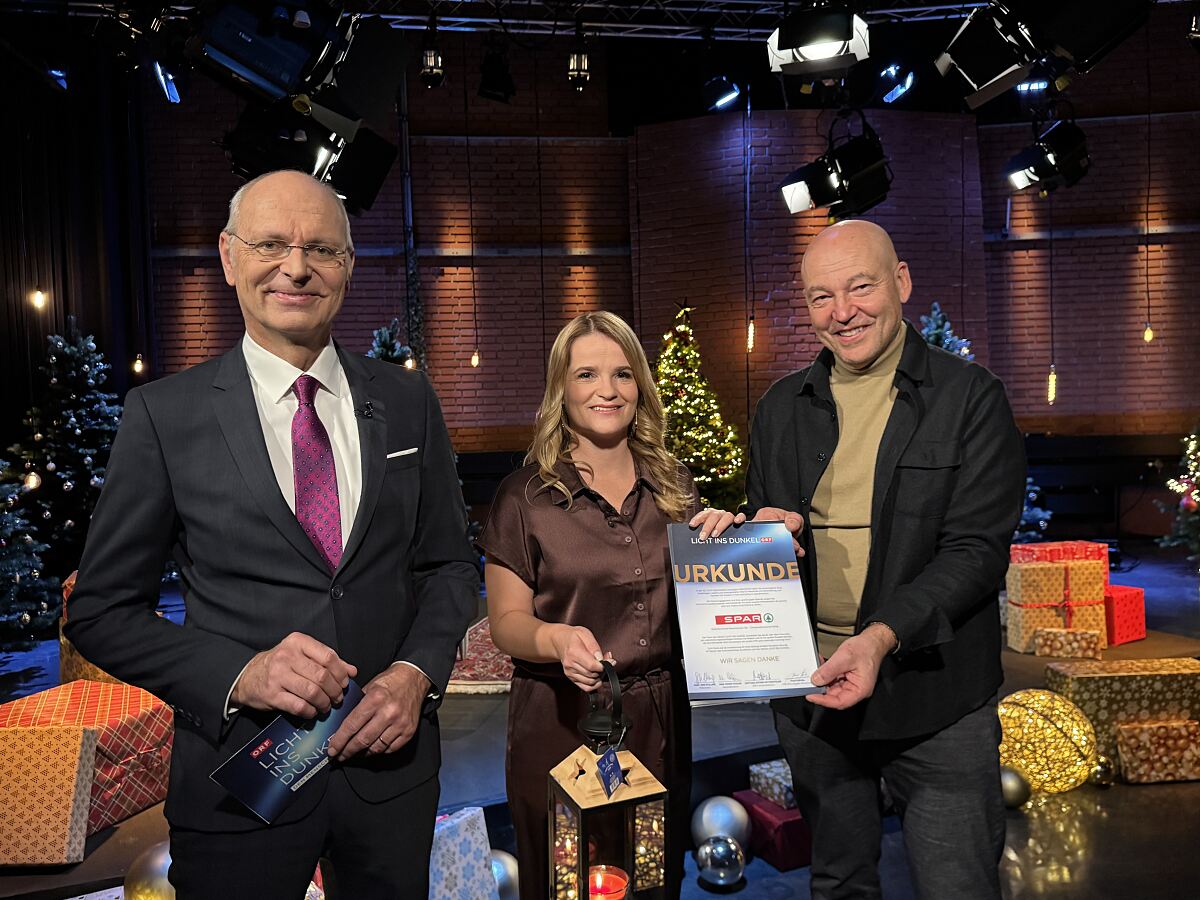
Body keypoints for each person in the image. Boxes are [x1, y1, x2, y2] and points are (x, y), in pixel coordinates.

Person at [65, 170, 478, 899]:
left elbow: (448, 565)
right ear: (229, 257)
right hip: (239, 781)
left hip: (391, 778)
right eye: (271, 245)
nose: (296, 267)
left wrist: (417, 673)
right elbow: (100, 611)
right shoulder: (165, 416)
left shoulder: (408, 400)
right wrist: (239, 674)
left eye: (321, 248)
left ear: (348, 267)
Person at [742, 220, 1025, 899]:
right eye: (820, 297)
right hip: (815, 699)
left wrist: (878, 637)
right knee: (838, 883)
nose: (843, 312)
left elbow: (976, 553)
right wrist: (764, 540)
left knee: (958, 886)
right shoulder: (780, 409)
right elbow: (768, 543)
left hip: (938, 701)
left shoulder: (970, 398)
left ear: (900, 283)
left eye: (860, 287)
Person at [477, 311, 737, 900]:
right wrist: (556, 640)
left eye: (622, 373)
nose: (607, 389)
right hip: (562, 720)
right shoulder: (526, 496)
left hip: (659, 718)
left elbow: (707, 604)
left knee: (650, 881)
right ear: (561, 390)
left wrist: (736, 546)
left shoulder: (676, 487)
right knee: (565, 885)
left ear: (640, 385)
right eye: (587, 374)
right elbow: (507, 623)